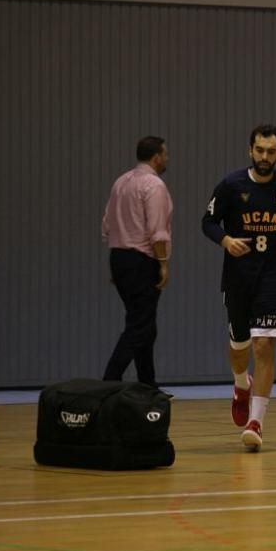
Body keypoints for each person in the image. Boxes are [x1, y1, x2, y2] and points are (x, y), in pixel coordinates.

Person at [201, 125, 276, 451]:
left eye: (271, 151)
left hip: (275, 276)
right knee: (240, 346)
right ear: (250, 150)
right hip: (238, 277)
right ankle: (239, 383)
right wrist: (226, 240)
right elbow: (207, 221)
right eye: (259, 150)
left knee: (264, 346)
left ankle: (256, 422)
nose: (265, 157)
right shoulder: (232, 185)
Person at [101, 136, 173, 388]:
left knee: (145, 325)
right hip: (142, 260)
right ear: (156, 157)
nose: (167, 159)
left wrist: (119, 265)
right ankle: (109, 381)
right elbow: (157, 231)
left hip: (119, 257)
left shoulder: (121, 182)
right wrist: (163, 263)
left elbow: (107, 225)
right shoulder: (154, 186)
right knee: (139, 325)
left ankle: (147, 385)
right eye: (165, 154)